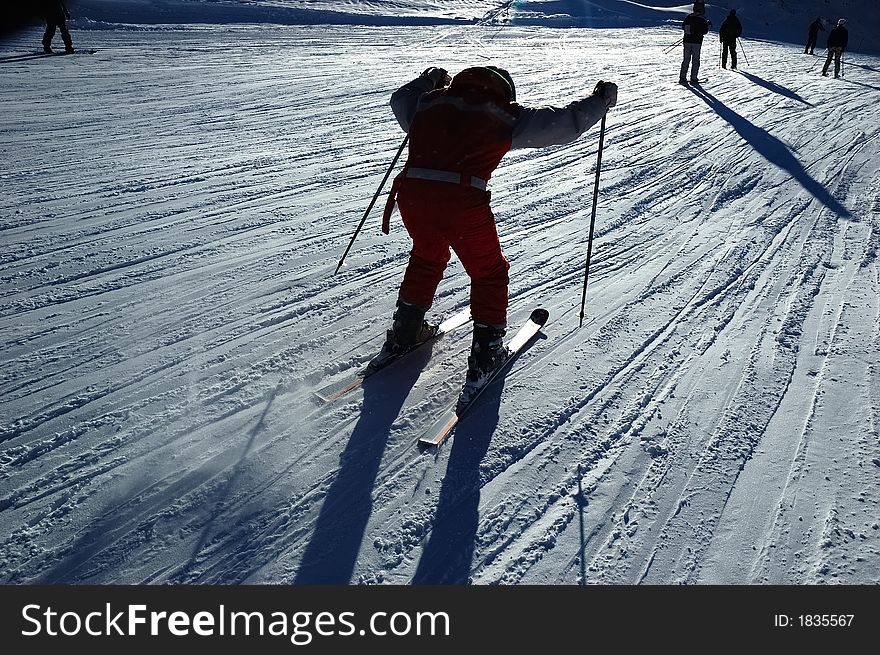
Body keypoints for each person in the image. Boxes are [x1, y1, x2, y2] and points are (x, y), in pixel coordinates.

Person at [380, 66, 617, 402]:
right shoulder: (503, 113)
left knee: (426, 255)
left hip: (414, 196)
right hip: (461, 200)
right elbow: (564, 124)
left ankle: (404, 333)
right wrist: (600, 100)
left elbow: (400, 98)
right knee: (489, 273)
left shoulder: (429, 102)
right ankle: (486, 357)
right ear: (504, 90)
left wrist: (430, 77)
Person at [680, 4, 710, 84]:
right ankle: (693, 78)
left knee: (686, 60)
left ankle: (682, 78)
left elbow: (683, 27)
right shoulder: (703, 18)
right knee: (695, 60)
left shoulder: (689, 17)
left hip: (687, 41)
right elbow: (705, 31)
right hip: (697, 42)